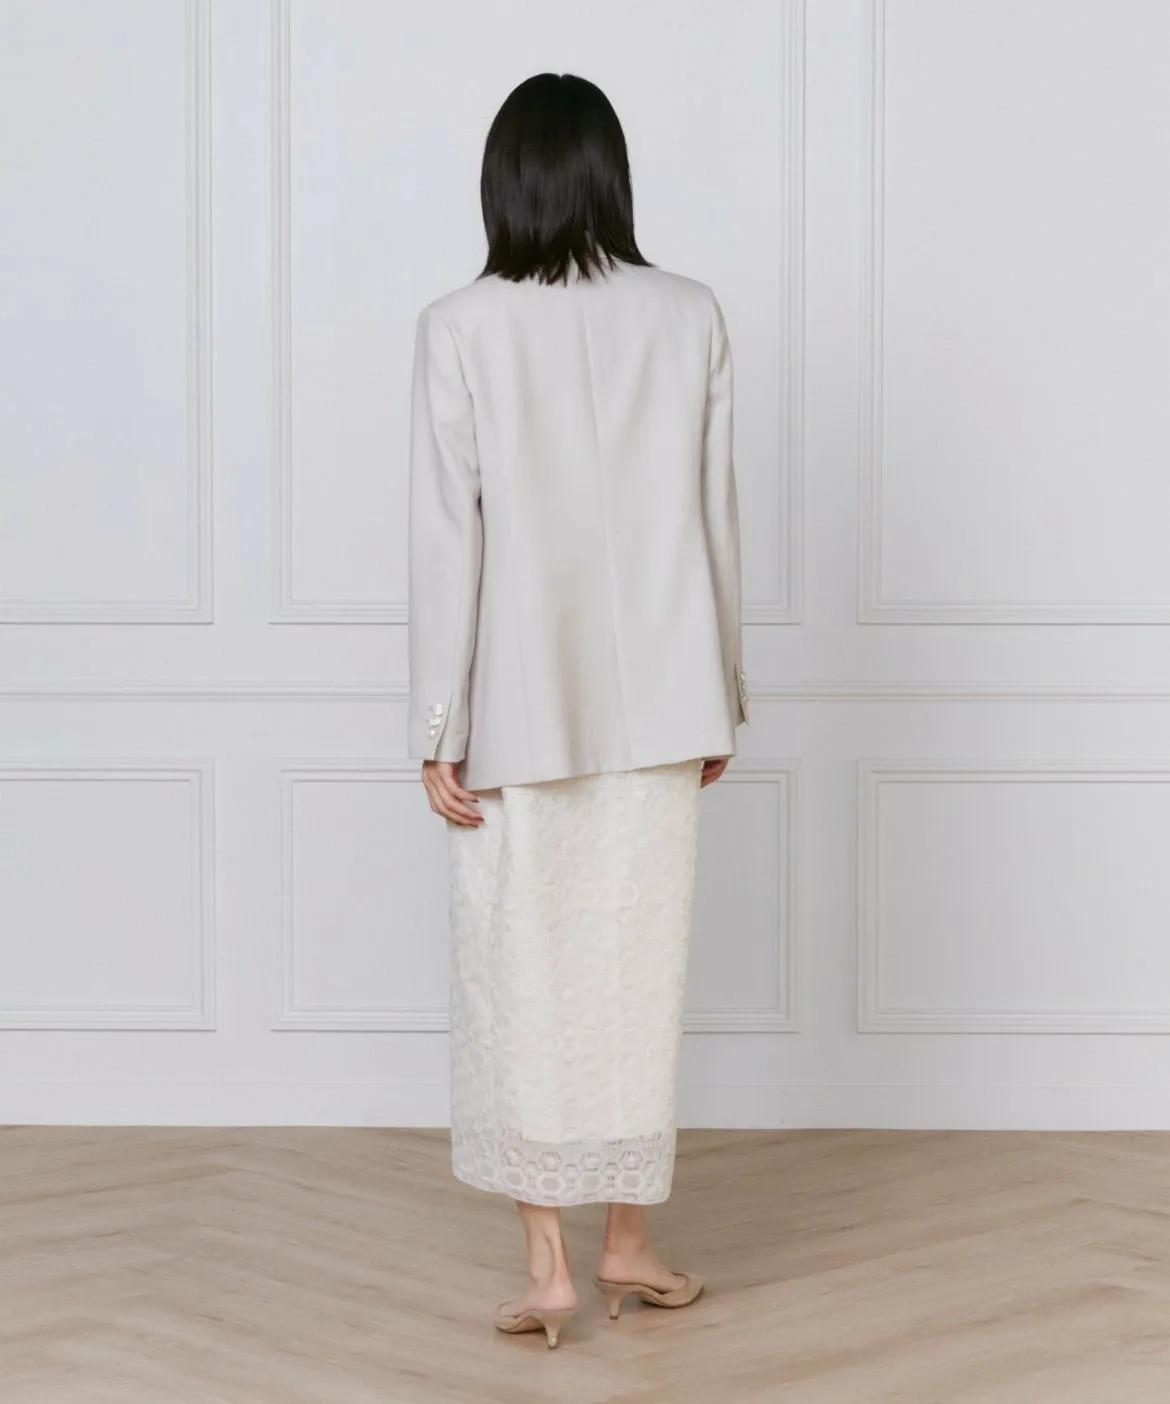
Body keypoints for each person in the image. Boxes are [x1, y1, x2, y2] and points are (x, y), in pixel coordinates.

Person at [407, 71, 748, 1349]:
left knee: (522, 973)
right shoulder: (690, 312)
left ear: (505, 182)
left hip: (519, 713)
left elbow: (448, 542)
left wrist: (437, 724)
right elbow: (716, 517)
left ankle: (550, 1264)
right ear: (611, 173)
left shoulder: (460, 325)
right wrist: (723, 695)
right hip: (661, 704)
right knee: (635, 971)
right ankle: (629, 1244)